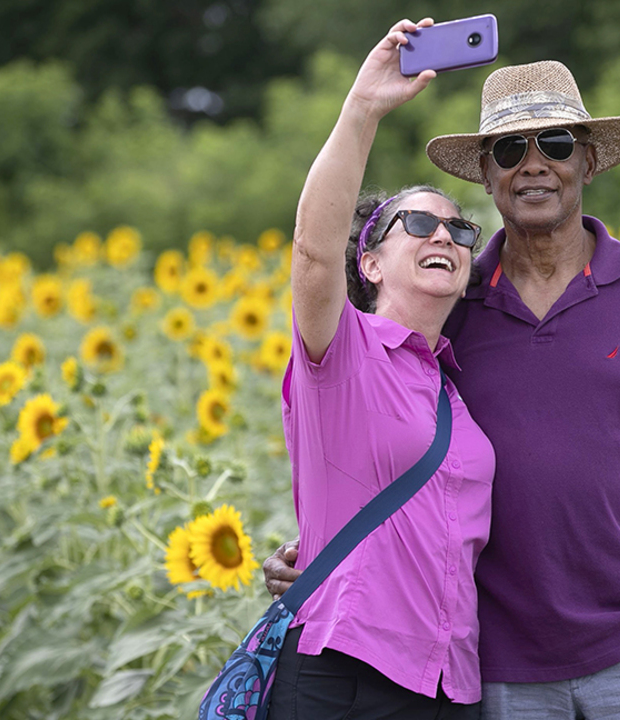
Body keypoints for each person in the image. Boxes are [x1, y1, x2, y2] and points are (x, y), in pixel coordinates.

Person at [269, 55, 620, 719]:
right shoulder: (449, 315)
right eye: (511, 148)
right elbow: (354, 397)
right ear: (487, 173)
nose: (534, 163)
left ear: (588, 162)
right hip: (501, 666)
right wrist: (319, 554)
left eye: (554, 144)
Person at [271, 18, 493, 720]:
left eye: (460, 230)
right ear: (369, 262)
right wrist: (362, 110)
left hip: (449, 686)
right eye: (419, 226)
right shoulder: (341, 353)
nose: (445, 238)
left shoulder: (455, 388)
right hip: (346, 675)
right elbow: (313, 249)